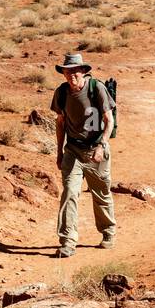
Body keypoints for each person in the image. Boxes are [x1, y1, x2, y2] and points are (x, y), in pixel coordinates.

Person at [51, 52, 116, 258]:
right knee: (70, 192)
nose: (72, 75)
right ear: (63, 73)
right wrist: (60, 151)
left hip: (96, 149)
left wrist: (102, 145)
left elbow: (109, 120)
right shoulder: (61, 93)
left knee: (101, 193)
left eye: (75, 71)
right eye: (67, 71)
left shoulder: (97, 89)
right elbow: (60, 123)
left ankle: (108, 232)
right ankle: (68, 241)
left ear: (83, 71)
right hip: (73, 150)